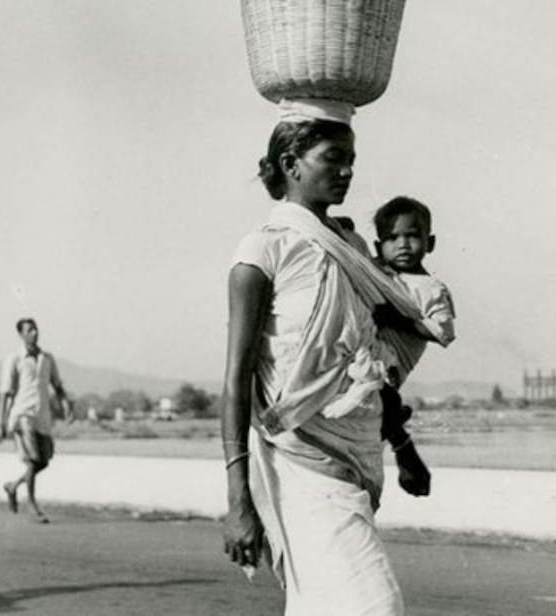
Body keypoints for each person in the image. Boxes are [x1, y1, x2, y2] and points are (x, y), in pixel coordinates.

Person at [221, 98, 431, 616]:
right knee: (376, 606)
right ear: (291, 165)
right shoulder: (262, 251)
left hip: (355, 457)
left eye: (351, 160)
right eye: (333, 158)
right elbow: (236, 380)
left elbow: (371, 361)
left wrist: (404, 449)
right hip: (298, 459)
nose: (347, 171)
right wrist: (238, 500)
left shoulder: (353, 247)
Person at [371, 196, 457, 497]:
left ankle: (401, 442)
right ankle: (395, 427)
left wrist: (398, 319)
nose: (403, 245)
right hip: (363, 352)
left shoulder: (431, 288)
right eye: (392, 238)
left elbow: (443, 332)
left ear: (429, 243)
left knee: (380, 393)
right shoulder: (374, 271)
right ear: (378, 246)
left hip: (390, 364)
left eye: (412, 236)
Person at [0, 317, 73, 523]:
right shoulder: (14, 359)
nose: (34, 333)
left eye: (35, 329)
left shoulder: (47, 358)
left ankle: (13, 486)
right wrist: (0, 423)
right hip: (22, 415)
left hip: (42, 416)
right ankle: (31, 504)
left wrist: (66, 405)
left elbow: (57, 385)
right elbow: (5, 393)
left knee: (44, 461)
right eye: (29, 330)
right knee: (32, 459)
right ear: (20, 334)